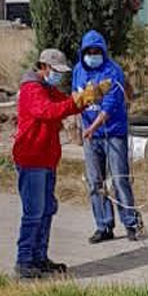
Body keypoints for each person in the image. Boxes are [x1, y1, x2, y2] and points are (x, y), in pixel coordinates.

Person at [12, 48, 106, 279]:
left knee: (45, 211)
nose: (59, 76)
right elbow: (49, 111)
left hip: (45, 158)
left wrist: (87, 98)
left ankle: (39, 258)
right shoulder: (31, 89)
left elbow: (65, 103)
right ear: (43, 67)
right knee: (34, 212)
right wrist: (79, 100)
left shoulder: (47, 88)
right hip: (32, 157)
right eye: (55, 71)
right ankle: (24, 261)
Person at [72, 30, 141, 243]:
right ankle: (104, 225)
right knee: (95, 181)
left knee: (119, 179)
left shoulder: (113, 71)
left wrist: (92, 128)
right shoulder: (78, 71)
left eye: (97, 51)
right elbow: (75, 99)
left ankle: (131, 222)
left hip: (113, 133)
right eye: (89, 51)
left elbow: (110, 106)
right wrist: (78, 126)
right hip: (91, 136)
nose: (93, 55)